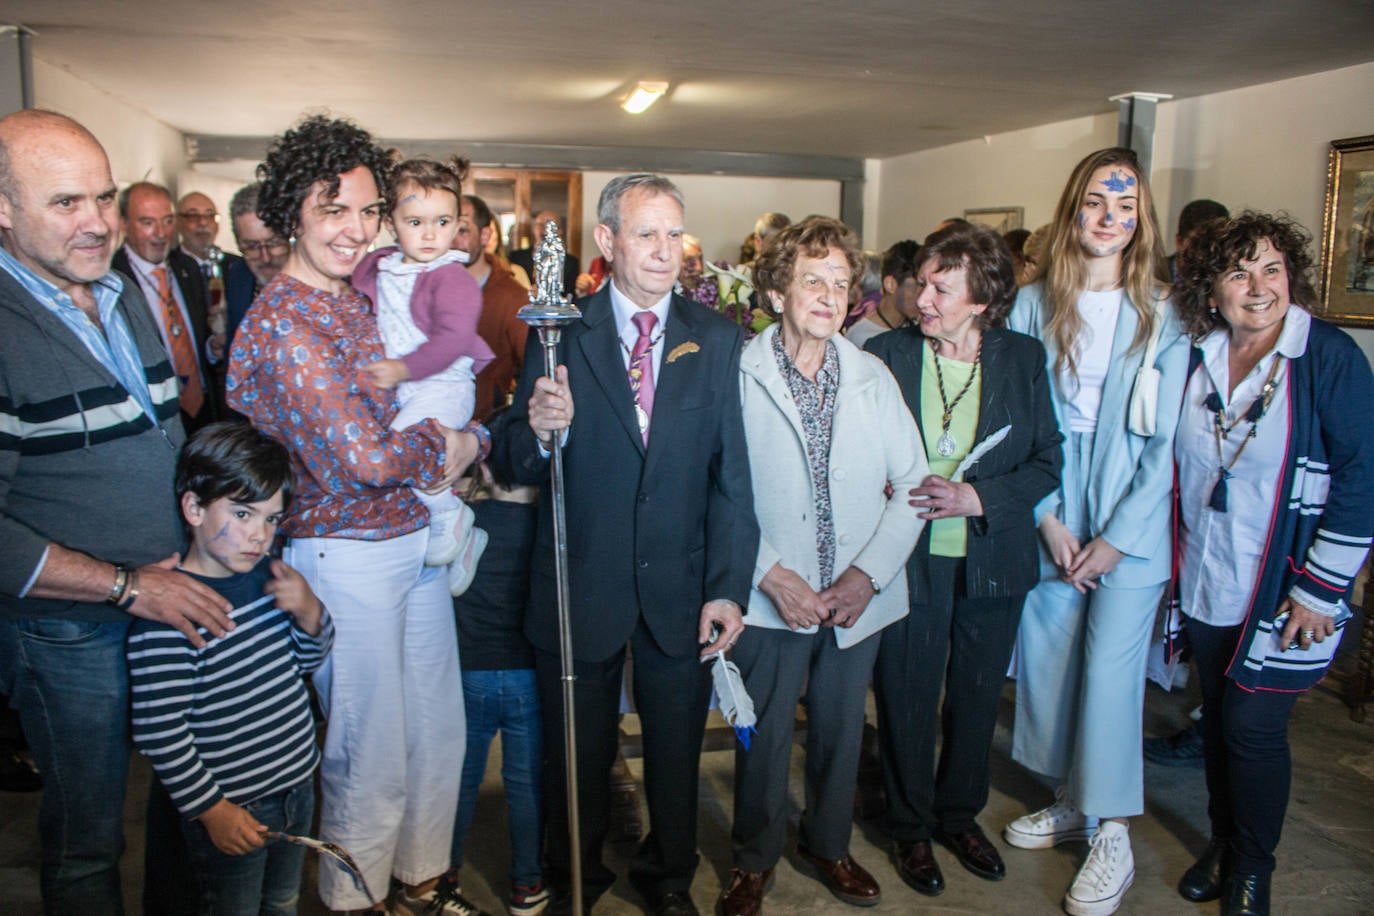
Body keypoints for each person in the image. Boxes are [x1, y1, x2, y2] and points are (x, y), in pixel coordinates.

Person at [227, 114, 486, 915]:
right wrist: (456, 443)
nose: (356, 229)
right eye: (331, 208)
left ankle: (421, 885)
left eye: (369, 210)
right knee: (367, 753)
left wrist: (467, 433)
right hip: (343, 550)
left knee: (437, 732)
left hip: (408, 539)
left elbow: (430, 377)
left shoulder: (360, 294)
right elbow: (367, 460)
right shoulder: (288, 319)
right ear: (291, 213)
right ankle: (355, 901)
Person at [492, 173, 758, 916]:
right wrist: (541, 429)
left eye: (675, 234)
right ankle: (576, 874)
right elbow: (511, 455)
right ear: (607, 241)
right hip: (581, 585)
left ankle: (668, 881)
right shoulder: (559, 331)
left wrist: (727, 585)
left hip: (680, 586)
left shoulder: (718, 338)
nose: (665, 251)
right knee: (577, 757)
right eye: (647, 233)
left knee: (675, 754)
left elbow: (731, 477)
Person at [0, 108, 233, 915]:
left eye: (103, 197)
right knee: (91, 836)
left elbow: (162, 432)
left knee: (184, 800)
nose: (98, 222)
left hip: (165, 594)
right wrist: (127, 586)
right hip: (69, 627)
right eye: (67, 202)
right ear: (3, 209)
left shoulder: (121, 289)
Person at [718, 216, 927, 916]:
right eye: (813, 279)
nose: (830, 295)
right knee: (764, 734)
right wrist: (771, 574)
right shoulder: (736, 373)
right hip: (769, 593)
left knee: (842, 730)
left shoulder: (873, 376)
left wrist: (865, 577)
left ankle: (829, 846)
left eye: (842, 283)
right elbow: (715, 489)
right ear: (777, 292)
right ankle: (753, 859)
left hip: (853, 601)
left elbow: (916, 486)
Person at [1167, 212, 1374, 916]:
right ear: (1211, 289)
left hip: (1285, 588)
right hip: (1205, 578)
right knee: (1221, 722)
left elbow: (1361, 478)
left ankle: (1254, 867)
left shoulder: (1328, 356)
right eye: (1238, 272)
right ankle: (1224, 843)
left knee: (1253, 729)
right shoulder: (1196, 353)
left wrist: (1320, 590)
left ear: (1293, 277)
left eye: (1271, 269)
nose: (1258, 287)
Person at [1002, 147, 1188, 916]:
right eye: (1096, 202)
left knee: (1111, 670)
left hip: (1130, 514)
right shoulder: (1030, 305)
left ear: (1141, 218)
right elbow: (1014, 422)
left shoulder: (1168, 314)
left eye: (1126, 205)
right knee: (1048, 658)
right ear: (1072, 209)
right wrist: (1048, 521)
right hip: (1052, 501)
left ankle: (1112, 827)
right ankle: (1071, 796)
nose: (1111, 218)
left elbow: (1168, 444)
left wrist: (1114, 539)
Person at [866, 222, 1063, 898]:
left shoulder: (1023, 358)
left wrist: (977, 495)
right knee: (907, 693)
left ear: (982, 298)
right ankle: (911, 826)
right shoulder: (886, 353)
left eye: (940, 288)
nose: (921, 298)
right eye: (922, 282)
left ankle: (959, 816)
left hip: (991, 559)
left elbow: (1046, 463)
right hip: (907, 557)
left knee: (977, 698)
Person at [127, 422, 334, 916]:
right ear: (195, 508)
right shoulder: (173, 610)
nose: (259, 536)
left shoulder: (270, 579)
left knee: (281, 901)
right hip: (232, 806)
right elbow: (159, 730)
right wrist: (211, 810)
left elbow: (305, 664)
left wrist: (310, 614)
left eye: (271, 519)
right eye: (242, 514)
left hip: (297, 786)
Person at [352, 157, 496, 587]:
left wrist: (402, 368)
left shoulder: (452, 277)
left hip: (443, 385)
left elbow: (452, 339)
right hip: (408, 387)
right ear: (390, 223)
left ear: (457, 225)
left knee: (400, 452)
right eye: (415, 221)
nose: (430, 234)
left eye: (443, 221)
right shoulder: (383, 265)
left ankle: (453, 515)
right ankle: (464, 543)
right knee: (417, 458)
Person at [113, 181, 218, 430]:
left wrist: (212, 347)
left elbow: (198, 335)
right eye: (147, 223)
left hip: (205, 411)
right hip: (154, 418)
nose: (161, 233)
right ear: (123, 225)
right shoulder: (111, 280)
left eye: (168, 221)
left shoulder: (188, 269)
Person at [454, 193, 531, 422]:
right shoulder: (423, 288)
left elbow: (536, 370)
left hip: (482, 431)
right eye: (445, 226)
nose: (451, 239)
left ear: (485, 235)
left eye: (463, 230)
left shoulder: (512, 297)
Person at [224, 182, 289, 351]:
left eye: (274, 243)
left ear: (290, 233)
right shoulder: (238, 275)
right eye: (252, 246)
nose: (265, 257)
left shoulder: (320, 279)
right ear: (238, 243)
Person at [844, 239, 920, 350]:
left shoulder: (917, 328)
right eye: (917, 288)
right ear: (891, 285)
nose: (923, 298)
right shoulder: (861, 337)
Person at [509, 209, 580, 295]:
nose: (544, 229)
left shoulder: (570, 262)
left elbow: (570, 294)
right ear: (534, 228)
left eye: (550, 225)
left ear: (559, 231)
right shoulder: (516, 257)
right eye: (540, 225)